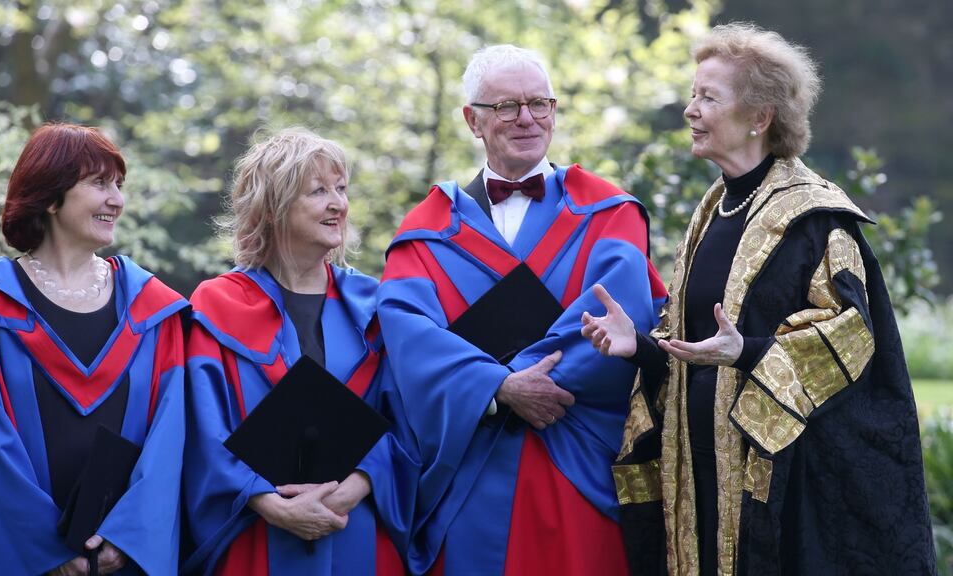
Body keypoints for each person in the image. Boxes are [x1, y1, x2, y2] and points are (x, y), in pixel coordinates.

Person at [583, 22, 936, 575]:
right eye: (692, 94)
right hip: (700, 475)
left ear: (759, 117)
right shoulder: (711, 211)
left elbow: (850, 335)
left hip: (787, 485)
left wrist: (747, 351)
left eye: (708, 97)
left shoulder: (814, 220)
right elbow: (699, 352)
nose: (690, 110)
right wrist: (642, 348)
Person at [378, 44, 666, 575]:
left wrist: (520, 381)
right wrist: (498, 387)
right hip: (474, 470)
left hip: (579, 459)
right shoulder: (427, 230)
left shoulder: (611, 213)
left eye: (540, 103)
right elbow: (407, 334)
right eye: (507, 106)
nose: (527, 118)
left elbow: (623, 314)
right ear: (473, 120)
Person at [0, 123, 188, 575]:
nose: (117, 200)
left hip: (121, 559)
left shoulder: (154, 311)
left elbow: (170, 438)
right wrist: (44, 550)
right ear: (50, 198)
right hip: (19, 558)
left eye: (119, 186)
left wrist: (129, 535)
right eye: (99, 183)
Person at [183, 127, 417, 576]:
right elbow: (203, 430)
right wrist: (270, 503)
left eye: (341, 189)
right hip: (257, 534)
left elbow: (405, 423)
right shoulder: (216, 306)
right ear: (272, 208)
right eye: (318, 191)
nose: (338, 204)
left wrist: (357, 485)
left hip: (359, 531)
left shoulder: (375, 308)